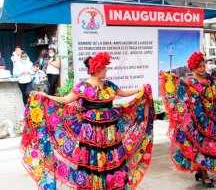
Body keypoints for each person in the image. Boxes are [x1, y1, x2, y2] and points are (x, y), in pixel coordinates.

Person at [20, 52, 155, 189]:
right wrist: (45, 96)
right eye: (104, 68)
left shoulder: (109, 85)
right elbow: (66, 100)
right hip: (91, 132)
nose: (106, 70)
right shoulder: (82, 87)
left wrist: (140, 90)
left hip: (110, 132)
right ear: (97, 70)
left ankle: (110, 185)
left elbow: (123, 93)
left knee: (110, 157)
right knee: (93, 158)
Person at [160, 52, 216, 187]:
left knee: (212, 145)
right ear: (192, 68)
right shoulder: (191, 82)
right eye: (198, 67)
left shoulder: (210, 79)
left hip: (213, 119)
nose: (201, 69)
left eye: (203, 66)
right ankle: (204, 174)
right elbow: (179, 83)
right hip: (198, 120)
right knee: (201, 147)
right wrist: (169, 77)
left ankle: (200, 172)